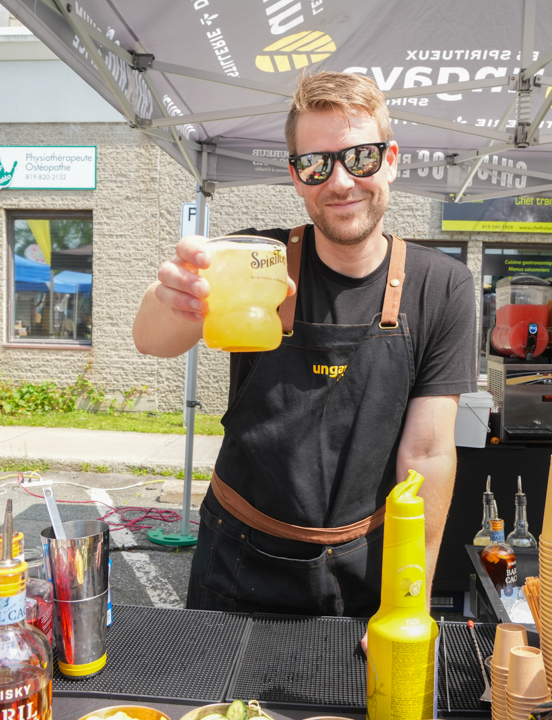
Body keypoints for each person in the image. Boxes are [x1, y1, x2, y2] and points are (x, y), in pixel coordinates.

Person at [132, 71, 477, 617]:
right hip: (239, 557)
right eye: (316, 164)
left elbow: (428, 456)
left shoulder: (442, 286)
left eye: (359, 158)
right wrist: (173, 294)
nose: (339, 182)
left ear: (390, 160)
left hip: (369, 563)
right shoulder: (257, 261)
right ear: (296, 176)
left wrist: (409, 601)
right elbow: (151, 340)